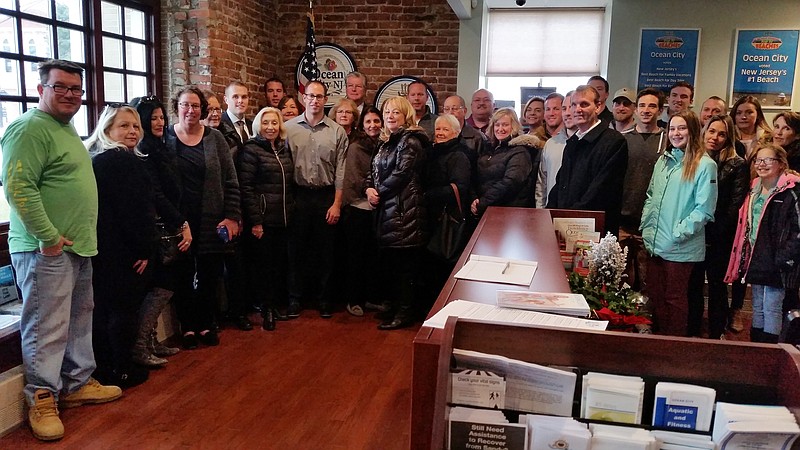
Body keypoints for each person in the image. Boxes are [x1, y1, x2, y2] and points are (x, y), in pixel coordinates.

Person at [1, 59, 121, 441]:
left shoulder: (63, 128)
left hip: (77, 246)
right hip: (44, 250)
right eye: (61, 87)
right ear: (41, 89)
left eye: (76, 89)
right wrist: (49, 238)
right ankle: (42, 397)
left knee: (78, 318)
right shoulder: (28, 128)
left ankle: (76, 383)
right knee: (46, 327)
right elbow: (18, 188)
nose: (70, 94)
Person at [165, 86, 241, 349]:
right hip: (178, 220)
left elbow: (231, 180)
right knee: (182, 274)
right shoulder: (166, 138)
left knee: (210, 275)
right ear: (177, 107)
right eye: (185, 105)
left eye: (196, 106)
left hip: (212, 218)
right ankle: (187, 327)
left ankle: (207, 323)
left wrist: (232, 217)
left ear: (203, 110)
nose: (190, 110)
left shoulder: (215, 138)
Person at [85, 104, 154, 388]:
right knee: (122, 313)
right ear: (107, 130)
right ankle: (122, 369)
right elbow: (134, 212)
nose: (132, 131)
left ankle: (105, 369)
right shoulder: (123, 162)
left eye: (136, 126)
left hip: (102, 248)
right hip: (122, 250)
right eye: (124, 126)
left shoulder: (99, 160)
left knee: (103, 312)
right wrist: (144, 250)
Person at [641, 111, 718, 336]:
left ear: (693, 131)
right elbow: (651, 196)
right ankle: (658, 342)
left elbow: (704, 210)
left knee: (674, 299)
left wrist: (677, 233)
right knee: (655, 296)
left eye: (682, 128)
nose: (676, 133)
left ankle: (672, 347)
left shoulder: (705, 165)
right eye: (672, 129)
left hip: (679, 246)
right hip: (655, 242)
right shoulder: (663, 161)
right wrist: (647, 226)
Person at [129, 95, 185, 367]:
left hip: (167, 224)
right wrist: (181, 222)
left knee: (164, 285)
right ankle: (141, 346)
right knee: (161, 287)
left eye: (162, 117)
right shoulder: (144, 152)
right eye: (153, 118)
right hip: (158, 228)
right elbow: (156, 194)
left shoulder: (162, 147)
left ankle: (149, 342)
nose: (160, 122)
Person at [285, 80, 348, 318]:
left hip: (326, 196)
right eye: (311, 96)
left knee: (326, 252)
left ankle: (324, 300)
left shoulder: (336, 131)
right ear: (304, 98)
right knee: (295, 251)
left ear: (325, 99)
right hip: (298, 195)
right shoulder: (288, 128)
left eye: (320, 96)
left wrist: (337, 203)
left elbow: (341, 170)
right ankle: (294, 299)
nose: (315, 100)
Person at [725, 143, 800, 343]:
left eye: (768, 160)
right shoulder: (754, 188)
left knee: (772, 306)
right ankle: (757, 347)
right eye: (758, 160)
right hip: (756, 256)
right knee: (758, 305)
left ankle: (772, 351)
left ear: (781, 164)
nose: (762, 164)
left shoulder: (792, 190)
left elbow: (797, 229)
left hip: (779, 259)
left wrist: (784, 257)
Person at [365, 96, 428, 330]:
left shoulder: (410, 141)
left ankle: (405, 312)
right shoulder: (384, 142)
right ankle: (394, 306)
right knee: (391, 265)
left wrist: (377, 192)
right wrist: (368, 188)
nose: (390, 116)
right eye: (388, 112)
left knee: (405, 269)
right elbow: (371, 171)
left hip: (405, 211)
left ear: (406, 116)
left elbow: (402, 174)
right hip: (387, 211)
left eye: (396, 113)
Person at [687, 115, 748, 339]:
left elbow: (735, 205)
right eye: (712, 131)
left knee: (716, 286)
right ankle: (692, 329)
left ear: (728, 137)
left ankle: (715, 333)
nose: (715, 137)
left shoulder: (737, 164)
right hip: (695, 232)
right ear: (704, 132)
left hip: (720, 236)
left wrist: (714, 233)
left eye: (722, 133)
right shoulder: (694, 159)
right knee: (693, 285)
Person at [237, 107, 294, 331]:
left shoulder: (282, 149)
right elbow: (246, 188)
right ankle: (266, 309)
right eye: (266, 123)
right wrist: (256, 221)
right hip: (263, 219)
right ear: (259, 125)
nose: (270, 127)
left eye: (274, 123)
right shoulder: (251, 150)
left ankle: (274, 305)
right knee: (264, 267)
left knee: (278, 265)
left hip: (283, 218)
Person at [546, 85, 628, 236]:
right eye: (573, 105)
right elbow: (560, 184)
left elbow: (601, 191)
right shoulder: (573, 141)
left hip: (593, 229)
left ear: (598, 107)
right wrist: (548, 214)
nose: (577, 110)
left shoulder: (614, 142)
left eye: (584, 104)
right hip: (566, 226)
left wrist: (568, 218)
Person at [618, 88, 667, 292]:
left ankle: (644, 321)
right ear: (635, 110)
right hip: (622, 220)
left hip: (652, 223)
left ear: (661, 110)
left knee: (648, 279)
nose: (646, 110)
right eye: (642, 106)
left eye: (652, 106)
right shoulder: (622, 139)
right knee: (620, 275)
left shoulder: (668, 140)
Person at [423, 114, 471, 301]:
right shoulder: (433, 151)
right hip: (433, 217)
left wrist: (428, 195)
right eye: (438, 129)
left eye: (445, 129)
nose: (440, 133)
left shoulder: (458, 155)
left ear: (456, 132)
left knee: (443, 266)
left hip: (447, 218)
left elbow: (459, 187)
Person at [341, 106, 382, 316]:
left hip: (378, 209)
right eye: (368, 122)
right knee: (355, 258)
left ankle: (371, 298)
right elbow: (354, 177)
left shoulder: (386, 145)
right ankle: (353, 299)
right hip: (358, 208)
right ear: (362, 125)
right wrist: (368, 191)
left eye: (376, 121)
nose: (373, 125)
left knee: (373, 258)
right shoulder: (357, 147)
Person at [470, 108, 536, 217]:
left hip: (508, 212)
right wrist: (474, 199)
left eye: (505, 125)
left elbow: (511, 182)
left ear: (514, 126)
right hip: (486, 209)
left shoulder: (520, 151)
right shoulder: (489, 148)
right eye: (497, 125)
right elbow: (476, 177)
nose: (500, 129)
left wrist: (483, 202)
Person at [535, 91, 575, 208]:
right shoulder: (550, 144)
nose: (551, 113)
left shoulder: (587, 143)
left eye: (556, 109)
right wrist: (540, 210)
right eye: (564, 108)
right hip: (551, 209)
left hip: (578, 215)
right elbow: (542, 182)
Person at [732, 95, 772, 161]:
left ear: (758, 115)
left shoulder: (769, 138)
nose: (743, 117)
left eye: (749, 112)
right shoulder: (728, 137)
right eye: (739, 113)